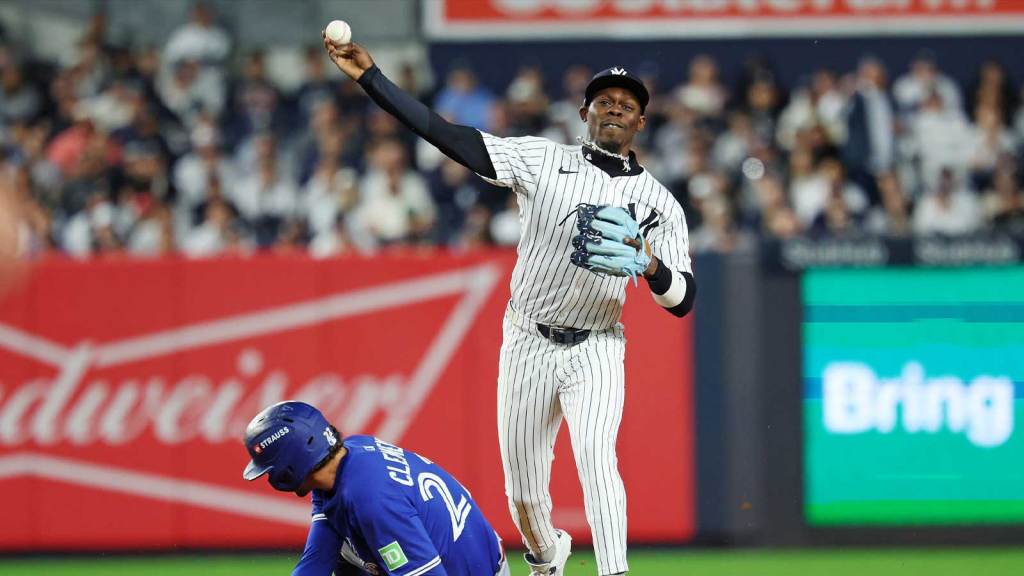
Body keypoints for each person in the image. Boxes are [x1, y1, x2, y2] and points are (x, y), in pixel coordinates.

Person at [324, 37, 696, 576]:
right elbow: (449, 136)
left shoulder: (661, 204)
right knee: (522, 491)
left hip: (597, 343)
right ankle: (547, 554)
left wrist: (650, 262)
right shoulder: (542, 158)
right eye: (605, 99)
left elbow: (683, 301)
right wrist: (370, 78)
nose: (615, 106)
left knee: (597, 462)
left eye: (627, 102)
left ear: (641, 121)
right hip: (528, 338)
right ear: (583, 112)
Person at [242, 401, 509, 576]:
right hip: (472, 556)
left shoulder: (369, 499)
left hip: (467, 570)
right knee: (344, 546)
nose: (269, 477)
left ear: (292, 460)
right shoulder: (349, 455)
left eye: (269, 468)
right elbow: (318, 558)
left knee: (354, 541)